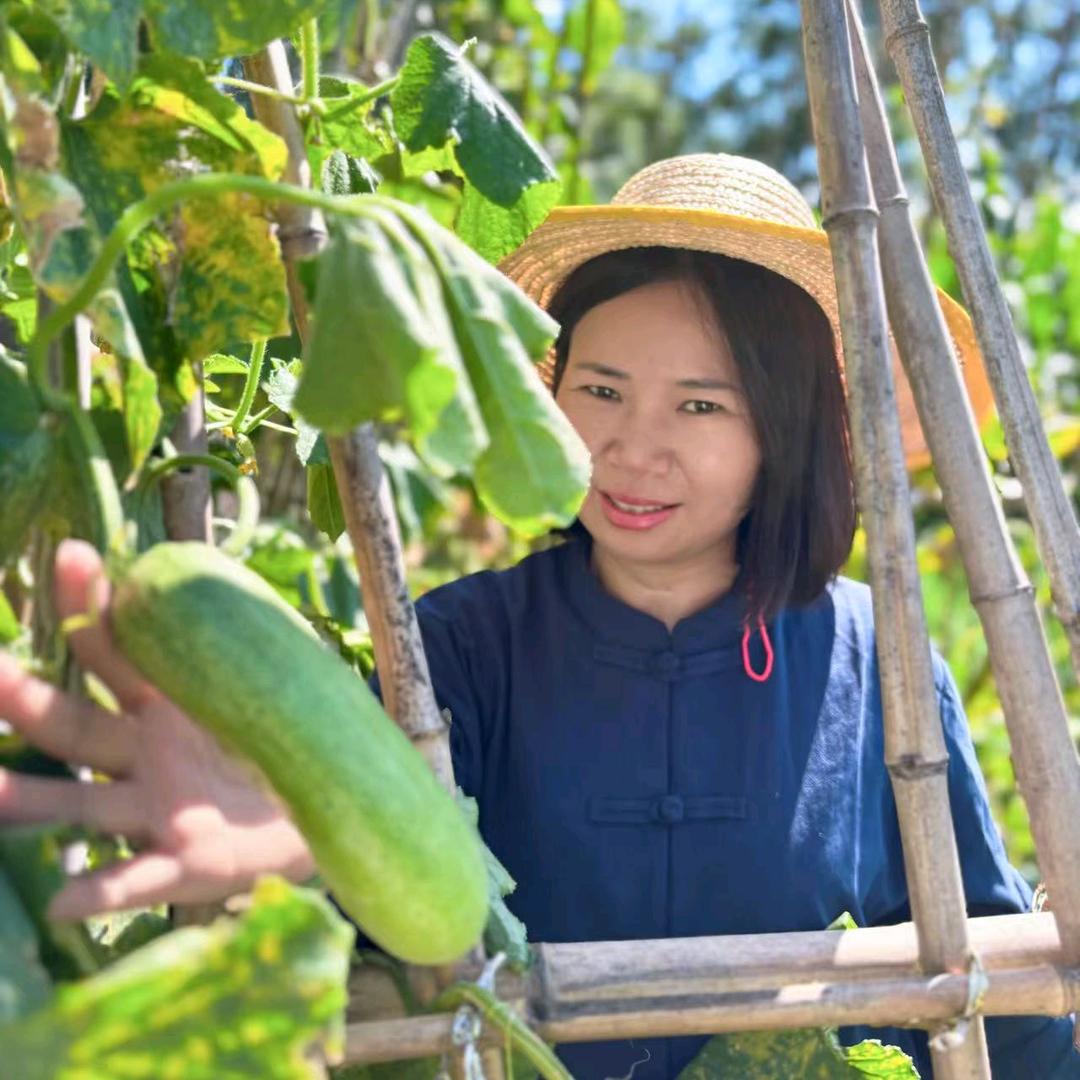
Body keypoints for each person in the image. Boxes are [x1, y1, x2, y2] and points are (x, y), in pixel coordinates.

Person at [0, 153, 1075, 1080]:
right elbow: (363, 930)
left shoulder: (879, 662)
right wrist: (298, 843)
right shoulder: (455, 649)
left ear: (786, 434)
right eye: (600, 389)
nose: (631, 445)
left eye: (701, 405)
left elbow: (989, 978)